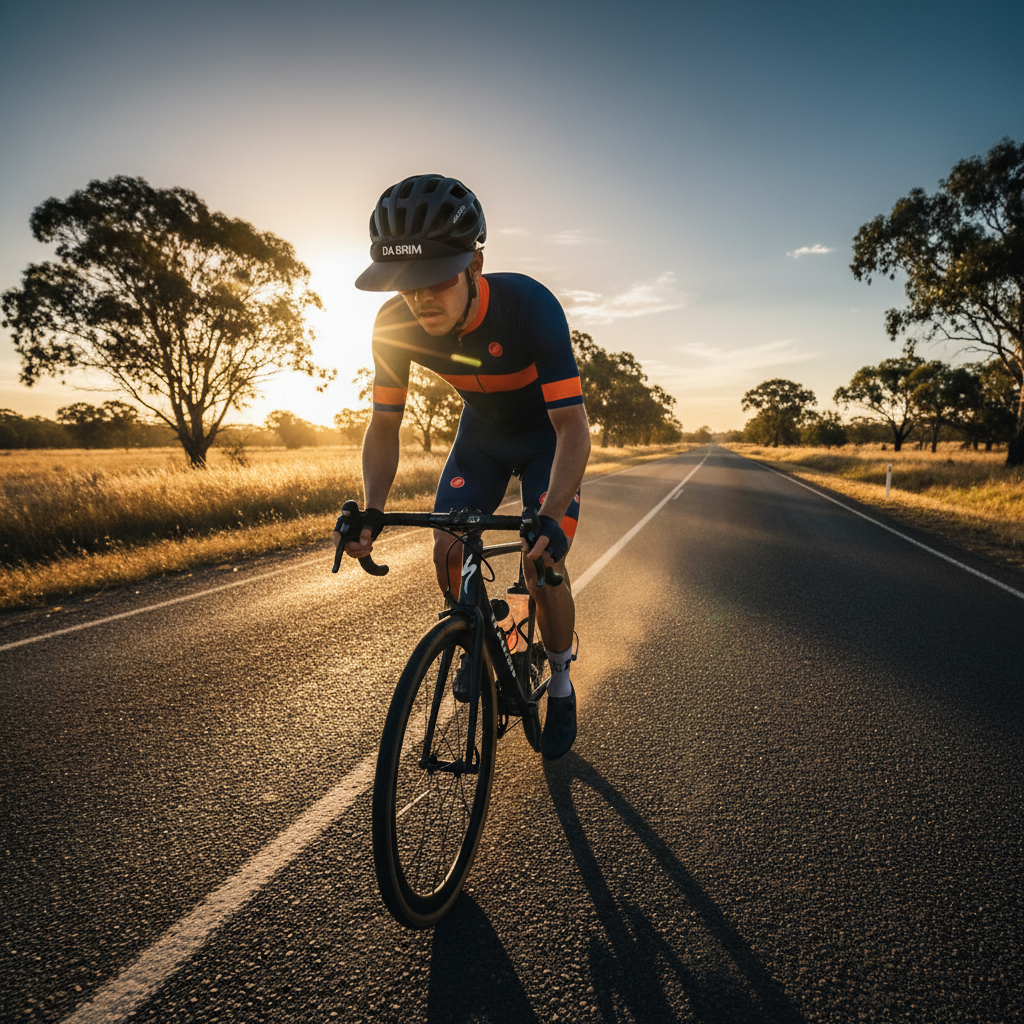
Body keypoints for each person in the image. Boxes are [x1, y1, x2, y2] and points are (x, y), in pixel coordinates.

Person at [340, 173, 591, 760]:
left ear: (476, 264)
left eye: (438, 279)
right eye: (406, 285)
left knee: (544, 564)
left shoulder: (530, 306)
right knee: (447, 551)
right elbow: (384, 425)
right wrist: (372, 508)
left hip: (545, 440)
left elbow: (573, 428)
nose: (422, 298)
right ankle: (479, 634)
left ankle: (559, 681)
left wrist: (549, 517)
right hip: (481, 438)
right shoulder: (393, 326)